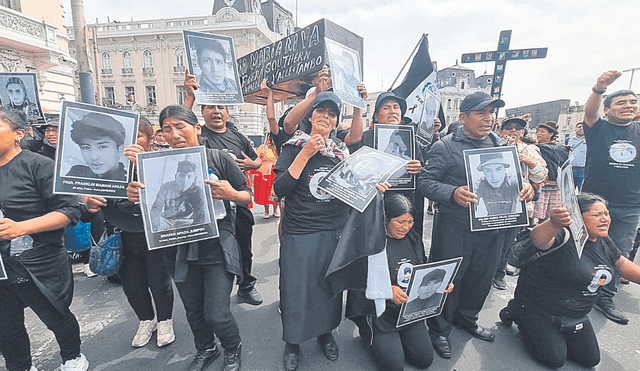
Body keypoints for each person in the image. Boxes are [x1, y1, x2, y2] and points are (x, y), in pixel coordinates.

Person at [127, 105, 249, 371]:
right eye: (167, 129)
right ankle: (206, 349)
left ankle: (232, 346)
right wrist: (137, 196)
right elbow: (154, 208)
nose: (174, 134)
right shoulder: (156, 166)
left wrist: (231, 194)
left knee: (217, 313)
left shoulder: (219, 158)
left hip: (217, 247)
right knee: (193, 310)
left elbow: (247, 196)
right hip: (178, 249)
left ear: (196, 128)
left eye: (180, 126)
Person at [417, 91, 534, 359]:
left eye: (491, 113)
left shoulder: (501, 145)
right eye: (481, 113)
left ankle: (467, 319)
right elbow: (425, 183)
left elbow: (516, 180)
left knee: (481, 278)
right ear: (463, 117)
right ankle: (438, 328)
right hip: (454, 229)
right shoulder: (445, 147)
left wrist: (526, 187)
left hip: (493, 228)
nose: (488, 118)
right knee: (449, 278)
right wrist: (452, 193)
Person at [500, 193, 640, 368]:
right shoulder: (562, 235)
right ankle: (517, 311)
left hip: (576, 313)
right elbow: (538, 239)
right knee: (555, 358)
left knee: (590, 359)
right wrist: (553, 222)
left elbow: (620, 263)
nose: (605, 219)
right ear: (577, 218)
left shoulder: (602, 239)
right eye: (597, 215)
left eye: (606, 213)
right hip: (539, 308)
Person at [0, 109, 89, 371]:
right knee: (6, 324)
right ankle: (21, 366)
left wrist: (21, 228)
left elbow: (70, 210)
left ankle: (73, 358)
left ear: (20, 133)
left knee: (54, 314)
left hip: (37, 261)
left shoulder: (40, 166)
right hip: (1, 267)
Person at [273, 91, 353, 371]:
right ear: (310, 115)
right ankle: (292, 342)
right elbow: (280, 189)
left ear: (335, 122)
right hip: (300, 232)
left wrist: (372, 187)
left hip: (333, 232)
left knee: (328, 287)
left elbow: (352, 191)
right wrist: (305, 154)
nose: (326, 117)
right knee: (295, 289)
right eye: (322, 111)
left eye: (332, 114)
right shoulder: (293, 146)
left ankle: (326, 332)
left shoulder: (342, 153)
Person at [83, 117, 176, 349]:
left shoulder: (161, 163)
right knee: (132, 285)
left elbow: (173, 197)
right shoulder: (103, 169)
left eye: (137, 137)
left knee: (160, 282)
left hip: (154, 234)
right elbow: (87, 211)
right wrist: (88, 203)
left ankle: (165, 320)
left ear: (150, 139)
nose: (129, 144)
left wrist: (142, 167)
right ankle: (146, 320)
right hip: (121, 237)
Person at [183, 70, 264, 306]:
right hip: (208, 211)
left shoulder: (237, 135)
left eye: (221, 107)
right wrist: (189, 95)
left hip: (238, 201)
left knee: (244, 248)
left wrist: (251, 163)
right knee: (217, 254)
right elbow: (181, 124)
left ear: (227, 112)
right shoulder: (198, 135)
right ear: (202, 113)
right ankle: (216, 296)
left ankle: (246, 285)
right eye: (210, 107)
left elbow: (257, 160)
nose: (216, 111)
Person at [347, 194, 452, 371]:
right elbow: (356, 281)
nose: (406, 227)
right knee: (394, 366)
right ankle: (368, 333)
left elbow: (422, 269)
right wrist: (387, 290)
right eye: (400, 222)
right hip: (378, 312)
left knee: (424, 359)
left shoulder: (414, 239)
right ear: (386, 219)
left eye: (410, 222)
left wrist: (441, 283)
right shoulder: (371, 243)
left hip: (408, 310)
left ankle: (398, 338)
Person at [581, 70, 640, 325]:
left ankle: (606, 296)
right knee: (584, 246)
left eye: (633, 102)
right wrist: (599, 88)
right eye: (621, 102)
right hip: (594, 201)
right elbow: (590, 113)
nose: (628, 106)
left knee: (620, 251)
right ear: (607, 109)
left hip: (630, 205)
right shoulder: (598, 128)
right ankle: (575, 286)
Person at [350, 91, 426, 236]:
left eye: (396, 107)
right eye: (386, 108)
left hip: (403, 206)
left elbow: (422, 174)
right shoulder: (364, 139)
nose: (392, 111)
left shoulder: (409, 139)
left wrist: (419, 169)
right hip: (374, 207)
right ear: (376, 117)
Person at [493, 116, 547, 289]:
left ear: (523, 132)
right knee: (489, 242)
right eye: (509, 127)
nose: (513, 131)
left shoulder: (530, 150)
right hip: (492, 204)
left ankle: (499, 274)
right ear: (500, 131)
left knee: (508, 242)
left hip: (517, 205)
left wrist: (529, 162)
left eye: (518, 128)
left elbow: (542, 176)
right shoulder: (490, 145)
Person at [149, 159, 208, 232]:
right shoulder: (166, 187)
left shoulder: (198, 191)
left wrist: (193, 232)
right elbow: (156, 208)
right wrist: (156, 227)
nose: (184, 181)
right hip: (167, 219)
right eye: (181, 176)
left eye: (189, 177)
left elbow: (200, 216)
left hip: (186, 221)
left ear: (194, 179)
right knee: (151, 224)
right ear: (175, 176)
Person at [66, 112, 127, 181]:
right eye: (86, 147)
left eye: (102, 147)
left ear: (120, 149)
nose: (93, 157)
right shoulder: (76, 173)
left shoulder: (131, 180)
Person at [533, 121, 568, 222]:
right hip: (539, 186)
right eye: (538, 131)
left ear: (551, 134)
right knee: (533, 214)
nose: (539, 133)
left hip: (554, 186)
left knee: (550, 216)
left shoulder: (559, 148)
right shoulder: (532, 148)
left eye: (542, 132)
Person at [474, 152, 522, 217]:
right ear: (483, 172)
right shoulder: (480, 184)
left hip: (513, 222)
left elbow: (521, 183)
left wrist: (526, 185)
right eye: (488, 171)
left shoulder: (512, 180)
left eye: (498, 169)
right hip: (490, 223)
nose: (494, 177)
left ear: (505, 169)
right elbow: (472, 197)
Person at [565, 122, 586, 188]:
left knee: (582, 190)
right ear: (575, 129)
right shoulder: (568, 140)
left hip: (582, 170)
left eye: (583, 127)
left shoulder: (589, 140)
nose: (581, 128)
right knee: (569, 190)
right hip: (570, 169)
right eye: (579, 127)